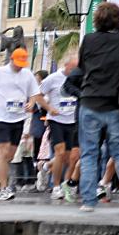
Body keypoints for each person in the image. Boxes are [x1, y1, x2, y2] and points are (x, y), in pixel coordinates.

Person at [72, 3, 119, 212]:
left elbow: (83, 68)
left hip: (90, 101)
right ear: (118, 20)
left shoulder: (89, 40)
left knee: (89, 153)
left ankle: (88, 201)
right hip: (116, 105)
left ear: (97, 20)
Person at [0, 47, 42, 201]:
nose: (20, 66)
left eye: (23, 63)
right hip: (0, 116)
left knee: (9, 155)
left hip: (18, 117)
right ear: (11, 59)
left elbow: (35, 93)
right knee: (3, 152)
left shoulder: (27, 74)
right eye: (18, 62)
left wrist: (31, 102)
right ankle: (3, 189)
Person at [38, 53, 80, 202]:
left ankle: (46, 168)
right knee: (60, 153)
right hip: (57, 120)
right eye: (73, 68)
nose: (76, 71)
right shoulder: (53, 78)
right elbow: (38, 95)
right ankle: (56, 187)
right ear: (67, 66)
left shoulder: (79, 77)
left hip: (73, 121)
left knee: (70, 158)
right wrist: (48, 108)